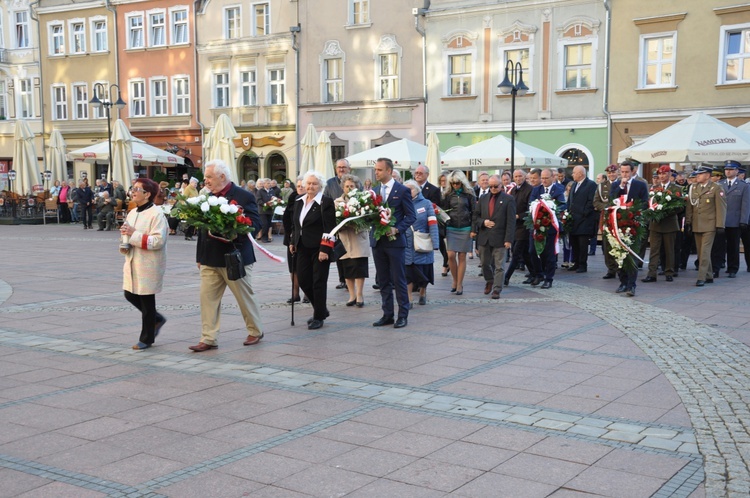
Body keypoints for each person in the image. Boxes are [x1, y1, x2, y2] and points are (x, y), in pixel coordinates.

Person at [189, 159, 264, 352]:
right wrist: (199, 256)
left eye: (209, 177)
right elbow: (201, 230)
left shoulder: (243, 196)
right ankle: (209, 337)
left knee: (244, 297)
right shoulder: (204, 196)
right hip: (210, 258)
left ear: (222, 177)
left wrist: (233, 229)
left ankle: (255, 331)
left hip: (235, 257)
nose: (205, 181)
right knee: (207, 299)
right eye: (205, 177)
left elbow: (255, 225)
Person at [120, 178, 168, 350]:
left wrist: (134, 234)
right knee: (129, 294)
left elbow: (158, 241)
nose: (133, 191)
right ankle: (157, 319)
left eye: (137, 189)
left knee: (147, 300)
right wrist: (125, 239)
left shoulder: (156, 214)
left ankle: (146, 338)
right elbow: (128, 232)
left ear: (147, 194)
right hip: (133, 259)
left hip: (148, 262)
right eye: (132, 188)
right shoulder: (133, 212)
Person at [371, 157, 416, 329]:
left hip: (395, 242)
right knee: (383, 280)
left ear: (389, 171)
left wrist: (397, 229)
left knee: (399, 279)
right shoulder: (374, 191)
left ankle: (402, 315)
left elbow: (411, 216)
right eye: (375, 169)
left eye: (379, 170)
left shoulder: (402, 190)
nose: (376, 172)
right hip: (378, 241)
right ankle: (387, 314)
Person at [290, 170, 336, 330]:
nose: (310, 186)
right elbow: (296, 224)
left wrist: (325, 249)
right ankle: (322, 309)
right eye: (308, 183)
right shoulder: (299, 200)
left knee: (318, 282)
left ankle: (318, 316)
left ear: (320, 186)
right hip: (302, 246)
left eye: (314, 183)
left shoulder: (326, 202)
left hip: (319, 248)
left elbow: (330, 228)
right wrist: (292, 241)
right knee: (303, 280)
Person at [472, 174, 515, 298]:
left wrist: (508, 239)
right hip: (485, 237)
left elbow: (511, 221)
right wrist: (483, 222)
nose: (493, 189)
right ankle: (489, 281)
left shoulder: (508, 199)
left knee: (499, 266)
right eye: (491, 187)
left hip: (500, 237)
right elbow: (476, 216)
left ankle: (497, 289)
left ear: (501, 185)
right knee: (485, 263)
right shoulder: (483, 198)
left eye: (496, 186)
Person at [610, 160, 649, 296]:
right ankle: (623, 282)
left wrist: (634, 209)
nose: (625, 174)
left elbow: (645, 203)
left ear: (633, 171)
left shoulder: (640, 185)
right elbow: (611, 200)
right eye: (622, 172)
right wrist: (620, 186)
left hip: (633, 224)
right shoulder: (616, 185)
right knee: (619, 254)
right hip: (618, 224)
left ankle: (631, 285)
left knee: (631, 255)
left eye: (627, 172)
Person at [686, 164, 727, 287]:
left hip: (710, 225)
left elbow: (721, 208)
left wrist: (720, 225)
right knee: (700, 252)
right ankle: (709, 275)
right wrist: (688, 222)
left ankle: (701, 277)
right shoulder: (693, 188)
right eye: (697, 174)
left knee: (704, 252)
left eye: (700, 174)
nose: (697, 176)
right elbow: (690, 207)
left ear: (708, 175)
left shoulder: (716, 188)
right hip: (697, 224)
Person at [642, 165, 683, 283]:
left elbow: (679, 207)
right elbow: (649, 203)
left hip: (669, 224)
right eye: (660, 174)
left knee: (669, 249)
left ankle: (669, 272)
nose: (661, 176)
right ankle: (651, 274)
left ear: (669, 174)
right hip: (655, 224)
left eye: (664, 174)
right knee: (654, 250)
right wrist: (653, 213)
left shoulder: (676, 189)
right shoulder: (653, 189)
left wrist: (665, 211)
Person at [334, 174, 370, 307]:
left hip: (358, 237)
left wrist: (358, 222)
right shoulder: (337, 202)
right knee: (347, 268)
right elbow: (334, 220)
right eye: (347, 186)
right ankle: (351, 295)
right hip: (344, 238)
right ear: (343, 188)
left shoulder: (363, 200)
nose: (349, 188)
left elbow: (368, 218)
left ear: (357, 187)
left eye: (352, 186)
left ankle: (360, 295)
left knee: (359, 267)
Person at [402, 180, 439, 307]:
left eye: (410, 189)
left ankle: (423, 292)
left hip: (422, 243)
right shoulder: (400, 204)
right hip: (406, 244)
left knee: (424, 273)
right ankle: (409, 298)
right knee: (408, 274)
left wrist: (435, 242)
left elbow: (433, 224)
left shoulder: (426, 204)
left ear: (417, 190)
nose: (408, 192)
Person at [528, 168, 566, 288]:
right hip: (536, 226)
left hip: (550, 226)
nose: (543, 180)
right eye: (542, 178)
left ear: (552, 177)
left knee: (549, 254)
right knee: (532, 251)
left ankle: (548, 278)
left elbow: (562, 205)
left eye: (546, 178)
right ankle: (539, 274)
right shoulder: (536, 190)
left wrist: (550, 208)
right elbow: (531, 204)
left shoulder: (558, 190)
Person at [441, 170, 475, 295]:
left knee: (462, 256)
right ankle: (455, 280)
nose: (455, 185)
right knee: (450, 255)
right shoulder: (447, 195)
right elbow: (443, 212)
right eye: (453, 183)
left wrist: (473, 229)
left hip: (465, 227)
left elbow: (474, 213)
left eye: (458, 183)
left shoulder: (470, 194)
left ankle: (459, 284)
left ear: (462, 182)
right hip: (451, 227)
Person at [324, 158, 354, 291]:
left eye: (344, 167)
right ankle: (343, 279)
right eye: (339, 167)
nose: (341, 169)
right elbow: (325, 199)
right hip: (335, 222)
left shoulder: (353, 181)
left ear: (349, 169)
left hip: (352, 223)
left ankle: (351, 278)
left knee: (352, 252)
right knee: (339, 251)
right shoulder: (329, 183)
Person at [566, 165, 598, 273]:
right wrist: (567, 212)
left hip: (584, 220)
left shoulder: (591, 184)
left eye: (574, 172)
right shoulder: (574, 184)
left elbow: (591, 201)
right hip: (573, 219)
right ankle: (576, 262)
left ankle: (583, 264)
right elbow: (570, 200)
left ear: (581, 174)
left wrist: (584, 213)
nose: (572, 174)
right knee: (574, 242)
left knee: (582, 244)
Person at [504, 169, 533, 285]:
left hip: (524, 225)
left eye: (520, 176)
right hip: (515, 226)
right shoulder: (514, 190)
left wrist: (518, 216)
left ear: (524, 177)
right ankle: (536, 273)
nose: (518, 178)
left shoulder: (529, 189)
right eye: (515, 177)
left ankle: (506, 277)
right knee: (524, 253)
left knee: (516, 253)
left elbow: (530, 209)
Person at [283, 176, 309, 304]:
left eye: (302, 186)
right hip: (291, 237)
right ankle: (295, 293)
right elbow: (287, 218)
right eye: (298, 186)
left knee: (305, 268)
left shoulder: (309, 201)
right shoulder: (293, 198)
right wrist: (289, 236)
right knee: (292, 267)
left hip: (305, 238)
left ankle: (307, 293)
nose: (300, 188)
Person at [595, 165, 620, 279]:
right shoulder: (602, 186)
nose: (611, 175)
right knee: (607, 244)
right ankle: (611, 268)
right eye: (609, 173)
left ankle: (620, 267)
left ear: (617, 173)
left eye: (613, 172)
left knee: (619, 242)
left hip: (620, 217)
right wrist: (606, 207)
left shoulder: (622, 184)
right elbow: (596, 202)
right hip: (606, 217)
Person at [256, 178, 274, 243]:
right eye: (268, 183)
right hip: (262, 211)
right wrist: (265, 204)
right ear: (264, 184)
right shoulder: (260, 191)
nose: (270, 184)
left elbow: (273, 198)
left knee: (269, 224)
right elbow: (258, 200)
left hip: (269, 210)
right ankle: (264, 238)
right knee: (264, 224)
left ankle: (266, 237)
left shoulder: (272, 191)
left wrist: (274, 202)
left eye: (270, 183)